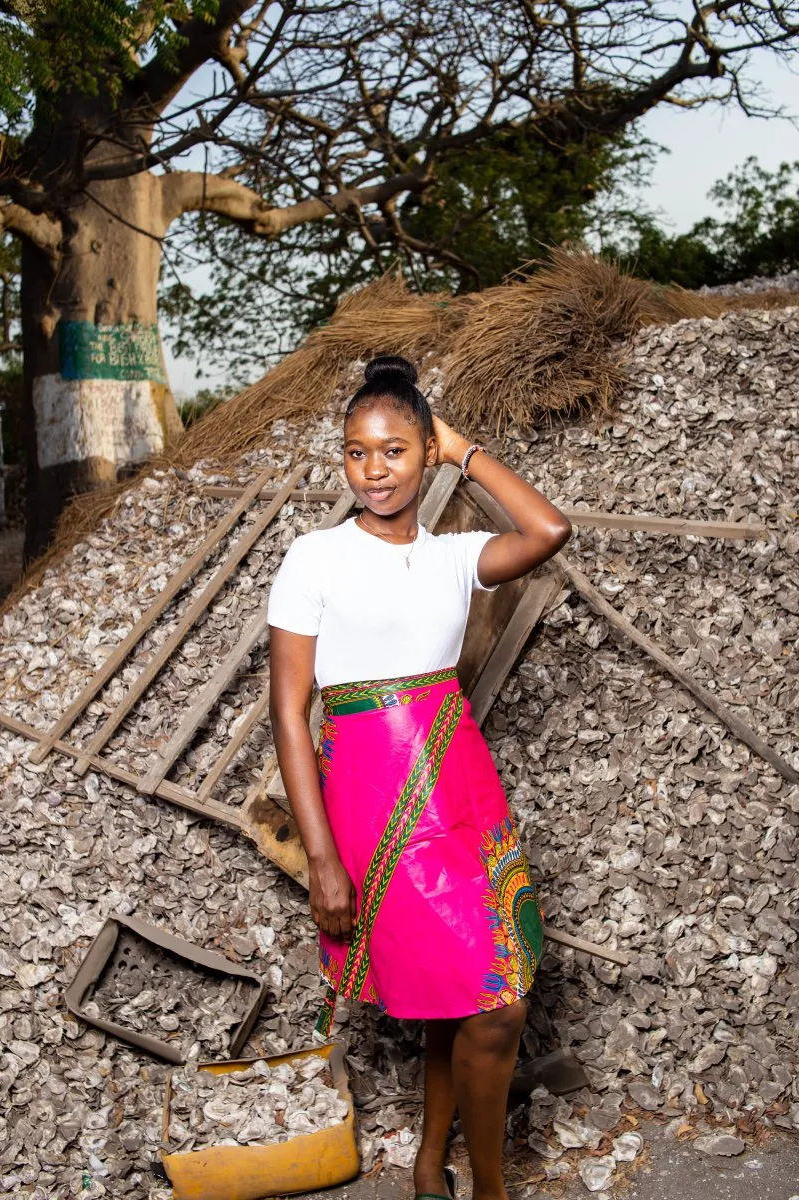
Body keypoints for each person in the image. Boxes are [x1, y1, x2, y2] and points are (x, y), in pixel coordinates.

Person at [267, 354, 572, 1200]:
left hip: (463, 789)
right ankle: (488, 1188)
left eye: (395, 450)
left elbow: (547, 531)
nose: (374, 470)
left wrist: (464, 450)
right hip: (372, 800)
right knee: (484, 997)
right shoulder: (313, 558)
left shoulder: (455, 556)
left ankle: (440, 1165)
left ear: (422, 450)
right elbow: (289, 714)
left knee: (483, 989)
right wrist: (322, 858)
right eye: (356, 452)